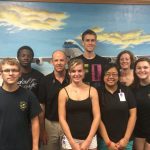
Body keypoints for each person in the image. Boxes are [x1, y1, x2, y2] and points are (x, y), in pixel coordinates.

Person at [58, 58, 100, 150]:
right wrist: (72, 142)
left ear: (84, 72)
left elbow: (97, 117)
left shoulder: (92, 91)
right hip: (70, 140)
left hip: (90, 139)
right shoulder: (63, 92)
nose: (76, 74)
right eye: (73, 71)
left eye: (79, 71)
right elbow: (62, 118)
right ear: (69, 73)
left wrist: (88, 141)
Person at [0, 58, 41, 150]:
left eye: (14, 70)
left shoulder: (29, 95)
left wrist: (35, 146)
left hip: (23, 145)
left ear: (19, 74)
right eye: (6, 70)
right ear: (1, 74)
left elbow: (35, 122)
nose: (11, 73)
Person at [99, 63, 136, 150]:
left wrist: (126, 139)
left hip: (126, 141)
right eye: (107, 74)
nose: (111, 77)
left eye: (114, 74)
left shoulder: (127, 91)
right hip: (104, 141)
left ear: (118, 76)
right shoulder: (97, 93)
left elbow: (133, 115)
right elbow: (97, 118)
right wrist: (108, 142)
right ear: (103, 76)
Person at [39, 50, 69, 150]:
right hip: (50, 125)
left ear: (66, 61)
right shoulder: (44, 81)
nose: (59, 63)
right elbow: (42, 106)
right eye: (56, 60)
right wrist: (42, 130)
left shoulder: (73, 79)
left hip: (69, 123)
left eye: (61, 60)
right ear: (52, 62)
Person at [132, 57, 150, 150]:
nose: (142, 70)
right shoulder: (132, 89)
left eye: (145, 67)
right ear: (135, 70)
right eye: (139, 68)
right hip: (138, 132)